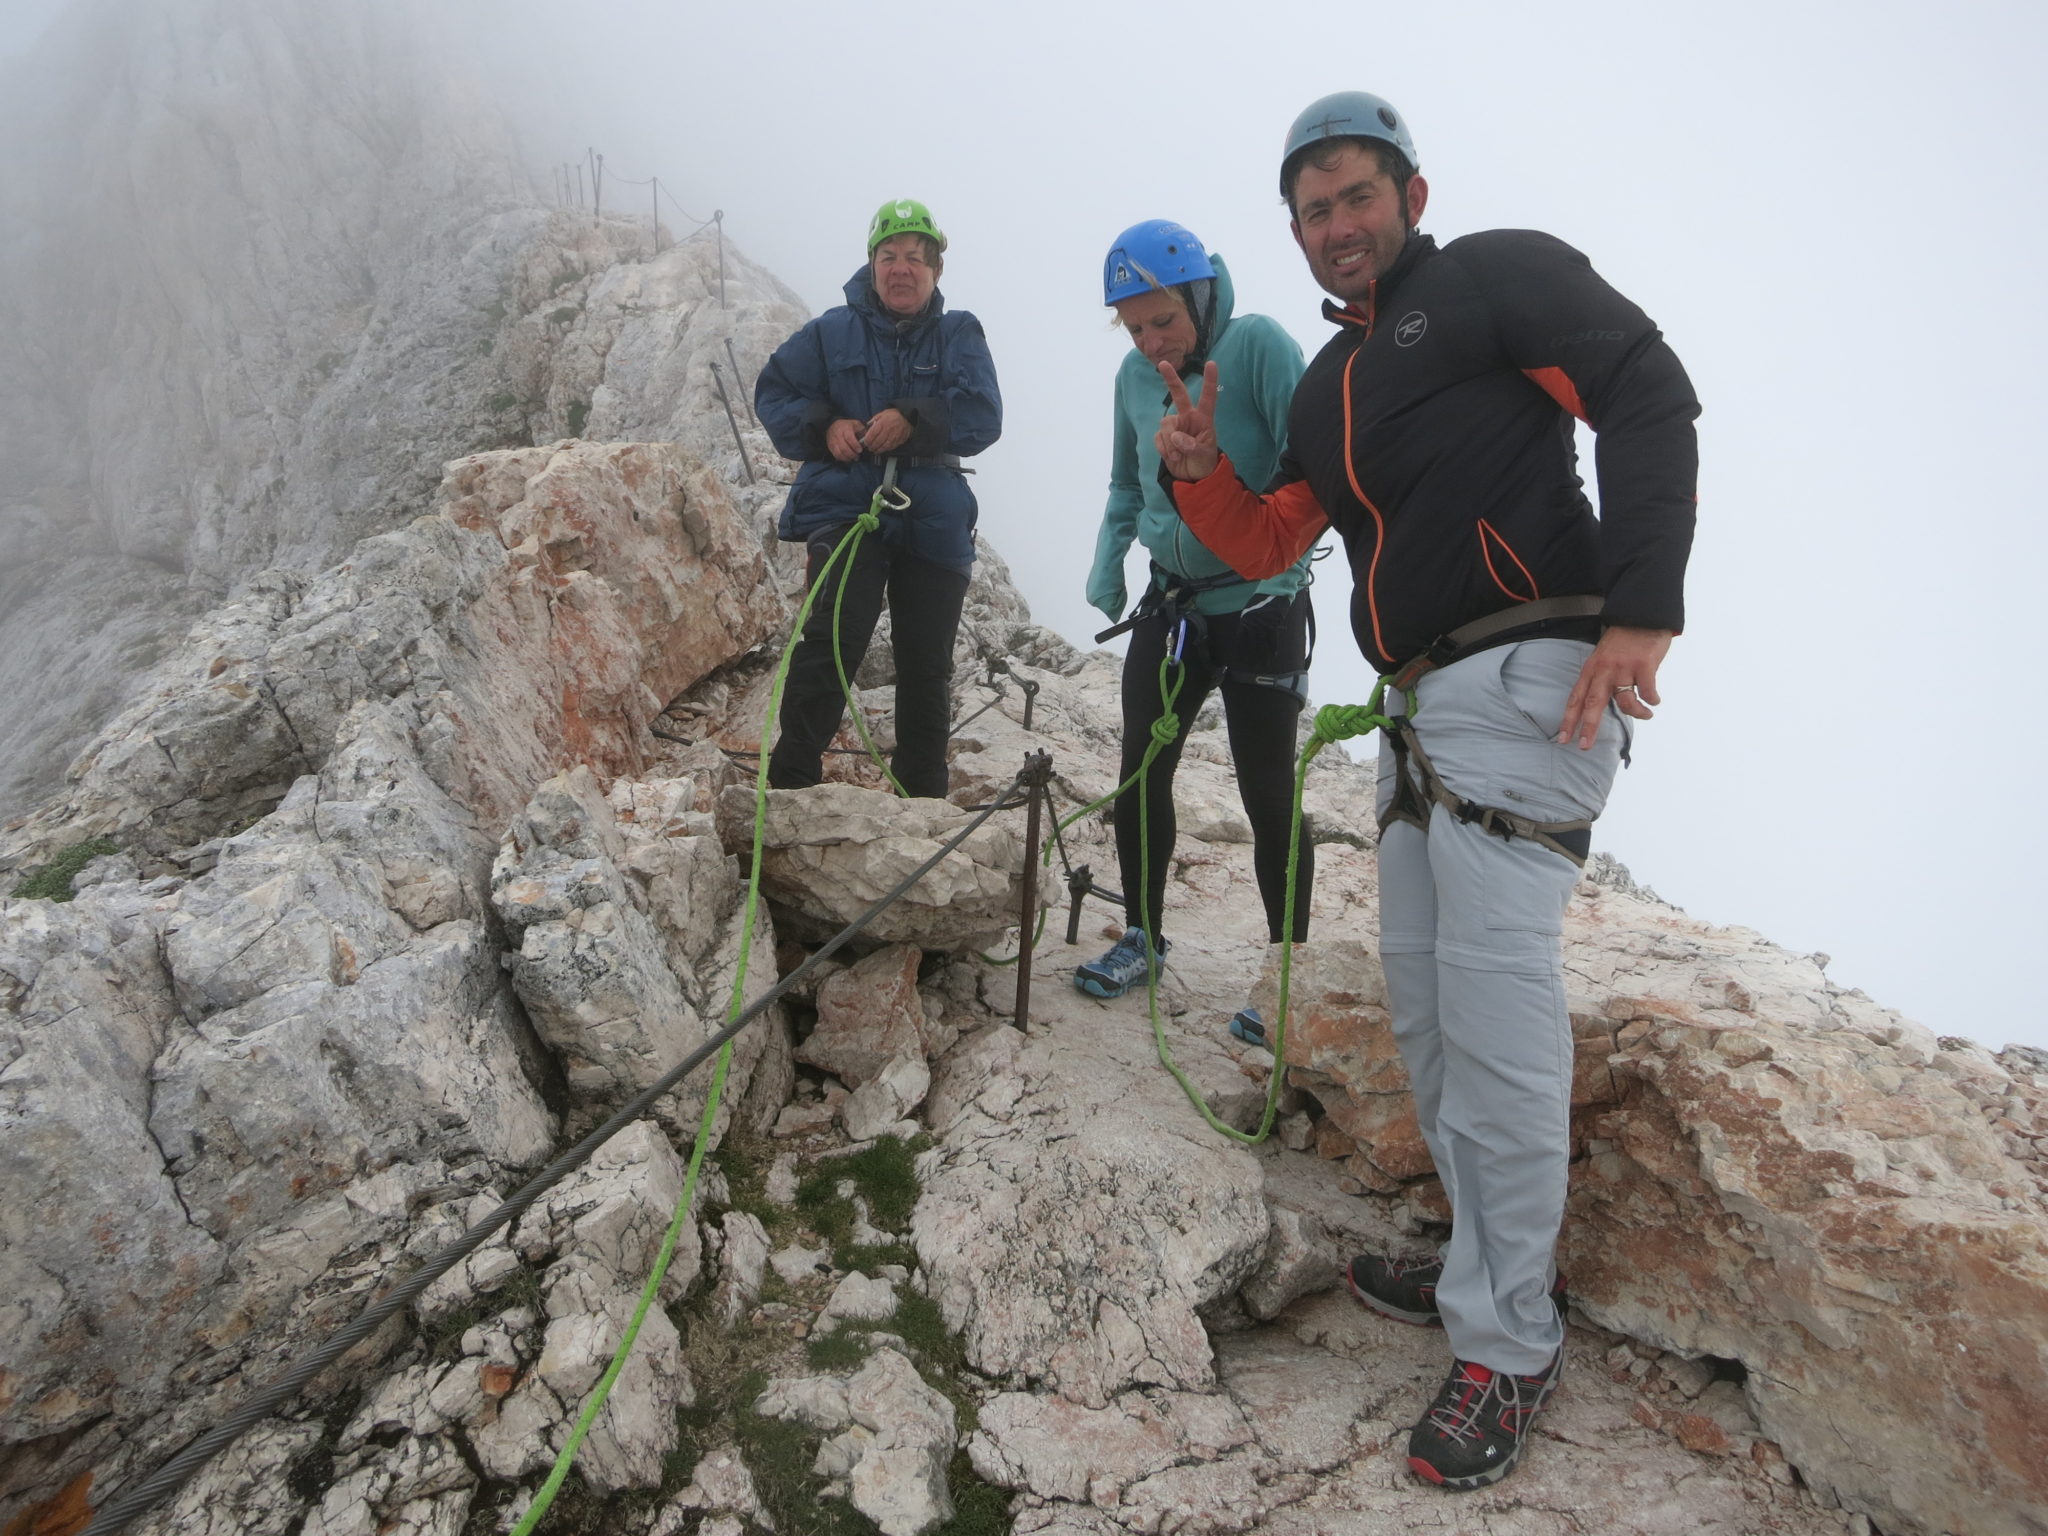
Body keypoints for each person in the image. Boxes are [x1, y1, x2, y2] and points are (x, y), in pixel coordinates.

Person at [1154, 92, 1699, 1490]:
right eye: (1313, 209)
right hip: (1412, 719)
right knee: (1431, 1010)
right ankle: (1481, 1262)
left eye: (1356, 195)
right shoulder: (1336, 390)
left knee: (1501, 1024)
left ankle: (1509, 1345)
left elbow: (1643, 383)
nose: (1338, 225)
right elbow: (1281, 537)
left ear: (1409, 191)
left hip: (1530, 684)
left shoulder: (1492, 278)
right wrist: (1208, 477)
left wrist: (1643, 606)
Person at [1073, 220, 1315, 1042]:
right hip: (1172, 605)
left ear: (1200, 297)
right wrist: (1110, 568)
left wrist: (1277, 586)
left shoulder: (1258, 348)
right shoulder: (1132, 381)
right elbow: (1123, 482)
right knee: (1142, 773)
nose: (1150, 342)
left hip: (1259, 605)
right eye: (1134, 326)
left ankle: (1290, 976)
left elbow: (1310, 467)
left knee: (1268, 791)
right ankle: (1142, 933)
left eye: (1163, 320)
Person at [755, 198, 1002, 799]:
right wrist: (825, 426)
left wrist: (913, 417)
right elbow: (776, 393)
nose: (901, 268)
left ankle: (922, 795)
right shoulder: (828, 332)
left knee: (927, 663)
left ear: (935, 271)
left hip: (934, 514)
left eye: (915, 258)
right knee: (831, 642)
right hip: (847, 505)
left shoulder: (959, 332)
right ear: (871, 266)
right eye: (889, 256)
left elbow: (983, 415)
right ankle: (790, 786)